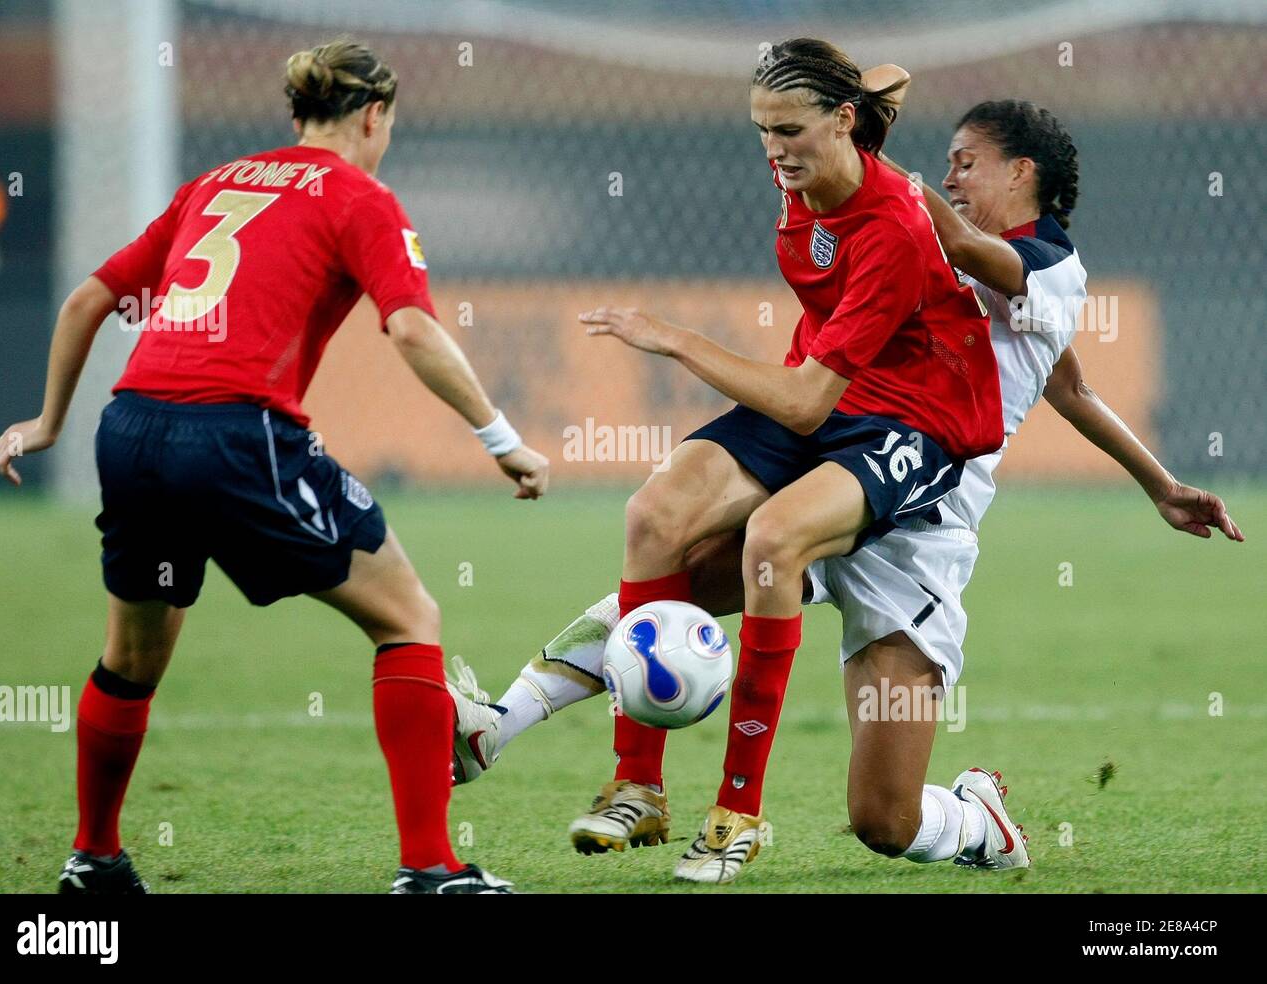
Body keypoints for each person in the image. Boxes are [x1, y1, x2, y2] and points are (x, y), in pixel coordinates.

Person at [445, 95, 1242, 884]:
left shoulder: (1050, 269)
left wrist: (859, 149)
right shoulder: (923, 243)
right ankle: (499, 728)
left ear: (1023, 171)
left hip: (918, 536)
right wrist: (1164, 485)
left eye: (968, 163)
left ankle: (975, 820)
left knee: (883, 821)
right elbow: (1067, 384)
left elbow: (1057, 373)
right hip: (846, 465)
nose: (952, 177)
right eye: (948, 165)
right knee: (664, 585)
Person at [0, 38, 549, 895]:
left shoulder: (214, 182)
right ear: (373, 116)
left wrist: (47, 420)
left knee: (131, 658)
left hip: (132, 427)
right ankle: (432, 870)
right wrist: (500, 436)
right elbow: (409, 328)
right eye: (388, 123)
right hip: (236, 433)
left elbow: (86, 300)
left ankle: (94, 858)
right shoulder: (361, 196)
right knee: (408, 618)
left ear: (297, 115)